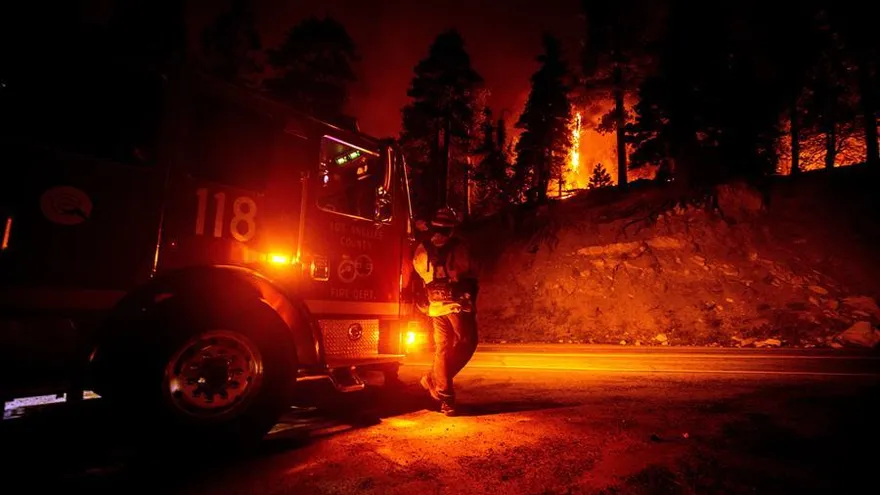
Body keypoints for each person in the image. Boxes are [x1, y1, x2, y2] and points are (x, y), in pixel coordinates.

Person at [412, 206, 479, 416]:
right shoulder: (458, 247)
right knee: (467, 342)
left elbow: (419, 275)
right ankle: (435, 379)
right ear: (451, 229)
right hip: (457, 305)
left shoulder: (421, 249)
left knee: (442, 348)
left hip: (435, 307)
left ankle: (445, 398)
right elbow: (467, 273)